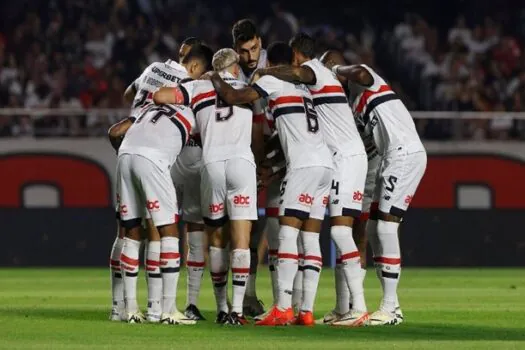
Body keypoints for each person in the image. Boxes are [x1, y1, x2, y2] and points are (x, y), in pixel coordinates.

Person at [207, 42, 333, 326]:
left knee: (286, 236)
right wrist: (272, 166)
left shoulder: (273, 81)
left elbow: (234, 95)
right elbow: (289, 133)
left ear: (274, 64)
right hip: (325, 164)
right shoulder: (304, 89)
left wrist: (213, 76)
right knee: (310, 238)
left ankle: (284, 307)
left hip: (302, 166)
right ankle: (307, 311)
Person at [254, 33, 369, 327]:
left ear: (295, 55)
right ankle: (317, 309)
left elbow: (295, 73)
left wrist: (264, 72)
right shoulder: (307, 88)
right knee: (317, 235)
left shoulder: (315, 71)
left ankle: (358, 307)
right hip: (333, 160)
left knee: (337, 234)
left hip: (344, 158)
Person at [153, 48, 261, 326]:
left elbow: (160, 96)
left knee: (214, 240)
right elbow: (259, 129)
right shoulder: (247, 86)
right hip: (241, 162)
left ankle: (222, 309)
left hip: (210, 163)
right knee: (241, 240)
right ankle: (237, 311)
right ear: (235, 68)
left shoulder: (197, 87)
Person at [327, 57, 427, 326]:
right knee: (373, 229)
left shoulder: (366, 81)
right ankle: (376, 306)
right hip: (389, 158)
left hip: (404, 153)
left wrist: (335, 69)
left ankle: (391, 308)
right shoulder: (352, 106)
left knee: (385, 228)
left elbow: (359, 71)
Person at [109, 96, 196, 325]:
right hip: (153, 160)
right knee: (168, 230)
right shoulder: (193, 108)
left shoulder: (148, 107)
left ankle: (128, 310)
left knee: (131, 232)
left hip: (125, 155)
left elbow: (115, 131)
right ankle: (167, 310)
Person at [231, 18, 273, 317]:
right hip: (246, 150)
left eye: (255, 47)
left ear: (260, 40)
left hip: (280, 146)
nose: (251, 56)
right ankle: (246, 296)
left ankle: (292, 303)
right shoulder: (230, 68)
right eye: (244, 51)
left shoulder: (274, 64)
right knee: (248, 225)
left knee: (284, 224)